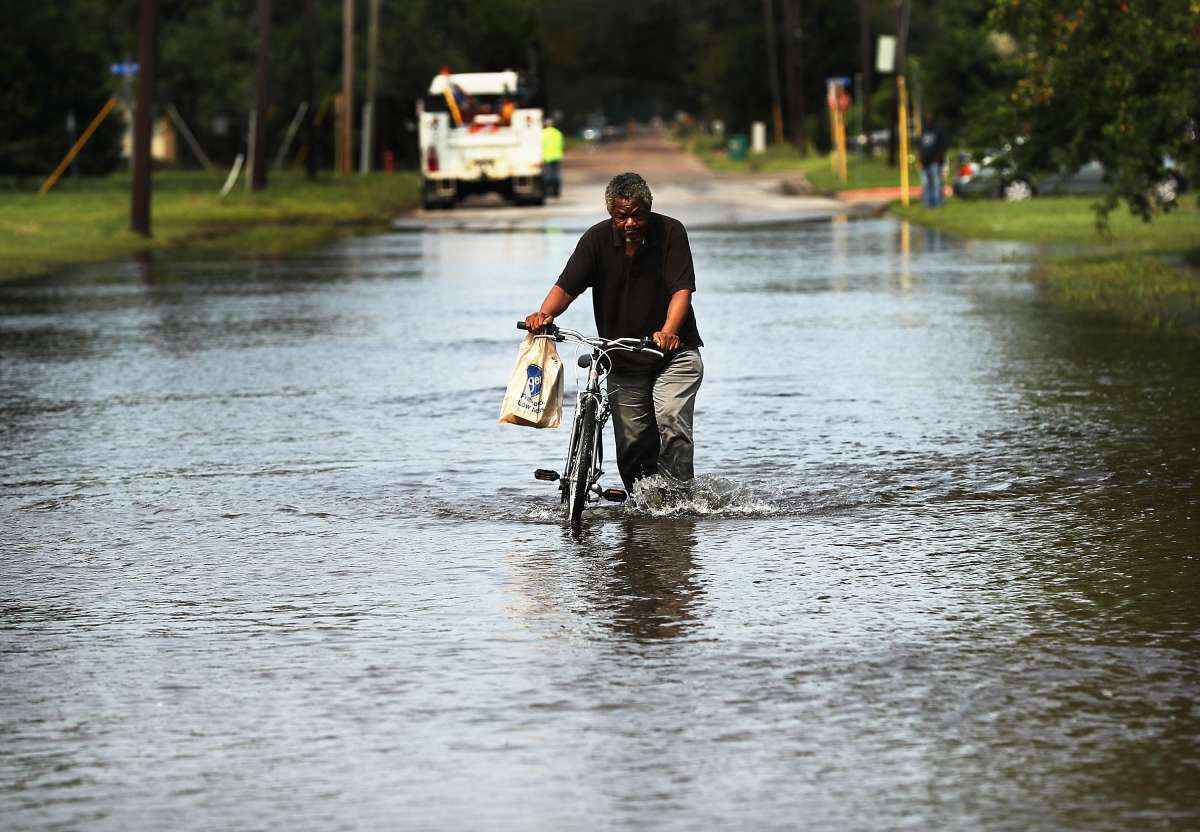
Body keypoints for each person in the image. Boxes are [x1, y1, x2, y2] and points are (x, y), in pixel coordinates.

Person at [524, 172, 703, 493]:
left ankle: (680, 500)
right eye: (622, 217)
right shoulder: (596, 240)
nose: (630, 223)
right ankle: (643, 503)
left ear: (648, 210)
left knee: (670, 419)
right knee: (632, 444)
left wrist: (667, 332)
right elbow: (567, 286)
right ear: (611, 215)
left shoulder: (671, 232)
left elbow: (681, 291)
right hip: (622, 360)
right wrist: (544, 314)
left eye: (637, 215)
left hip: (674, 355)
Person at [918, 116, 948, 208]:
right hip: (924, 162)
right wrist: (920, 158)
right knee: (926, 183)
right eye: (926, 119)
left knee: (936, 182)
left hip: (935, 162)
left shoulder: (938, 131)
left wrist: (939, 158)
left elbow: (943, 147)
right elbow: (920, 147)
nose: (928, 121)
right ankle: (927, 203)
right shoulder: (923, 131)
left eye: (929, 119)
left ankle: (937, 203)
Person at [541, 118, 564, 197]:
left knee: (547, 175)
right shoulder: (558, 133)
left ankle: (547, 192)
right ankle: (556, 192)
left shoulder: (542, 133)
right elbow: (562, 144)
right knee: (556, 175)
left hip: (546, 157)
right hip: (557, 157)